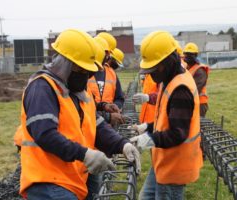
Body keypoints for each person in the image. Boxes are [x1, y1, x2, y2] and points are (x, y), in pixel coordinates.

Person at [19, 29, 140, 200]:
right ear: (67, 64)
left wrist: (122, 144)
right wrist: (85, 154)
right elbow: (45, 134)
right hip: (48, 182)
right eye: (83, 71)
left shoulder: (78, 92)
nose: (87, 77)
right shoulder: (43, 88)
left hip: (71, 179)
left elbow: (96, 126)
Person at [130, 31, 203, 200]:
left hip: (175, 168)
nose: (151, 73)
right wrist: (146, 127)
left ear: (168, 62)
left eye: (154, 68)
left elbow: (178, 134)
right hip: (163, 163)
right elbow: (164, 120)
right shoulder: (169, 79)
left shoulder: (181, 90)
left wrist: (147, 139)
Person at [87, 34, 125, 127]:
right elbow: (85, 107)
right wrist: (107, 116)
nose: (107, 56)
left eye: (109, 53)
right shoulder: (84, 73)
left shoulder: (111, 73)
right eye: (106, 53)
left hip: (107, 125)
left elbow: (119, 97)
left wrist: (113, 108)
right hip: (90, 124)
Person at [183, 42, 210, 117]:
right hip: (190, 102)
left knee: (197, 127)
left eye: (190, 54)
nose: (187, 56)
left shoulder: (200, 70)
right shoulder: (187, 68)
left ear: (195, 55)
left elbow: (195, 90)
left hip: (199, 103)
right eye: (186, 53)